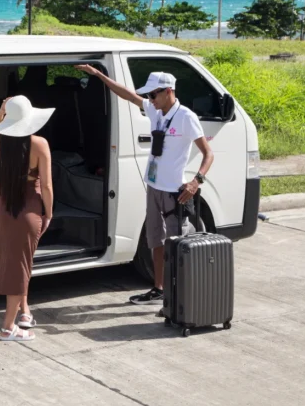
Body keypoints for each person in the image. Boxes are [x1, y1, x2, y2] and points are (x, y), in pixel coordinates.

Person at [77, 66, 214, 306]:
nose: (149, 100)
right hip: (153, 187)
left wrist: (196, 181)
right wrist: (99, 75)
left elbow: (208, 153)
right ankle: (159, 288)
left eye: (153, 94)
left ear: (169, 91)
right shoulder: (156, 111)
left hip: (174, 192)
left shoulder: (186, 117)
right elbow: (128, 95)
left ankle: (176, 297)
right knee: (155, 240)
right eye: (149, 95)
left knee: (175, 245)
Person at [0, 96, 55, 341]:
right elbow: (46, 186)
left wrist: (1, 110)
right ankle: (8, 327)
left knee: (16, 262)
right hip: (29, 207)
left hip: (4, 207)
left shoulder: (0, 142)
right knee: (22, 266)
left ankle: (24, 313)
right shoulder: (39, 144)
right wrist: (49, 212)